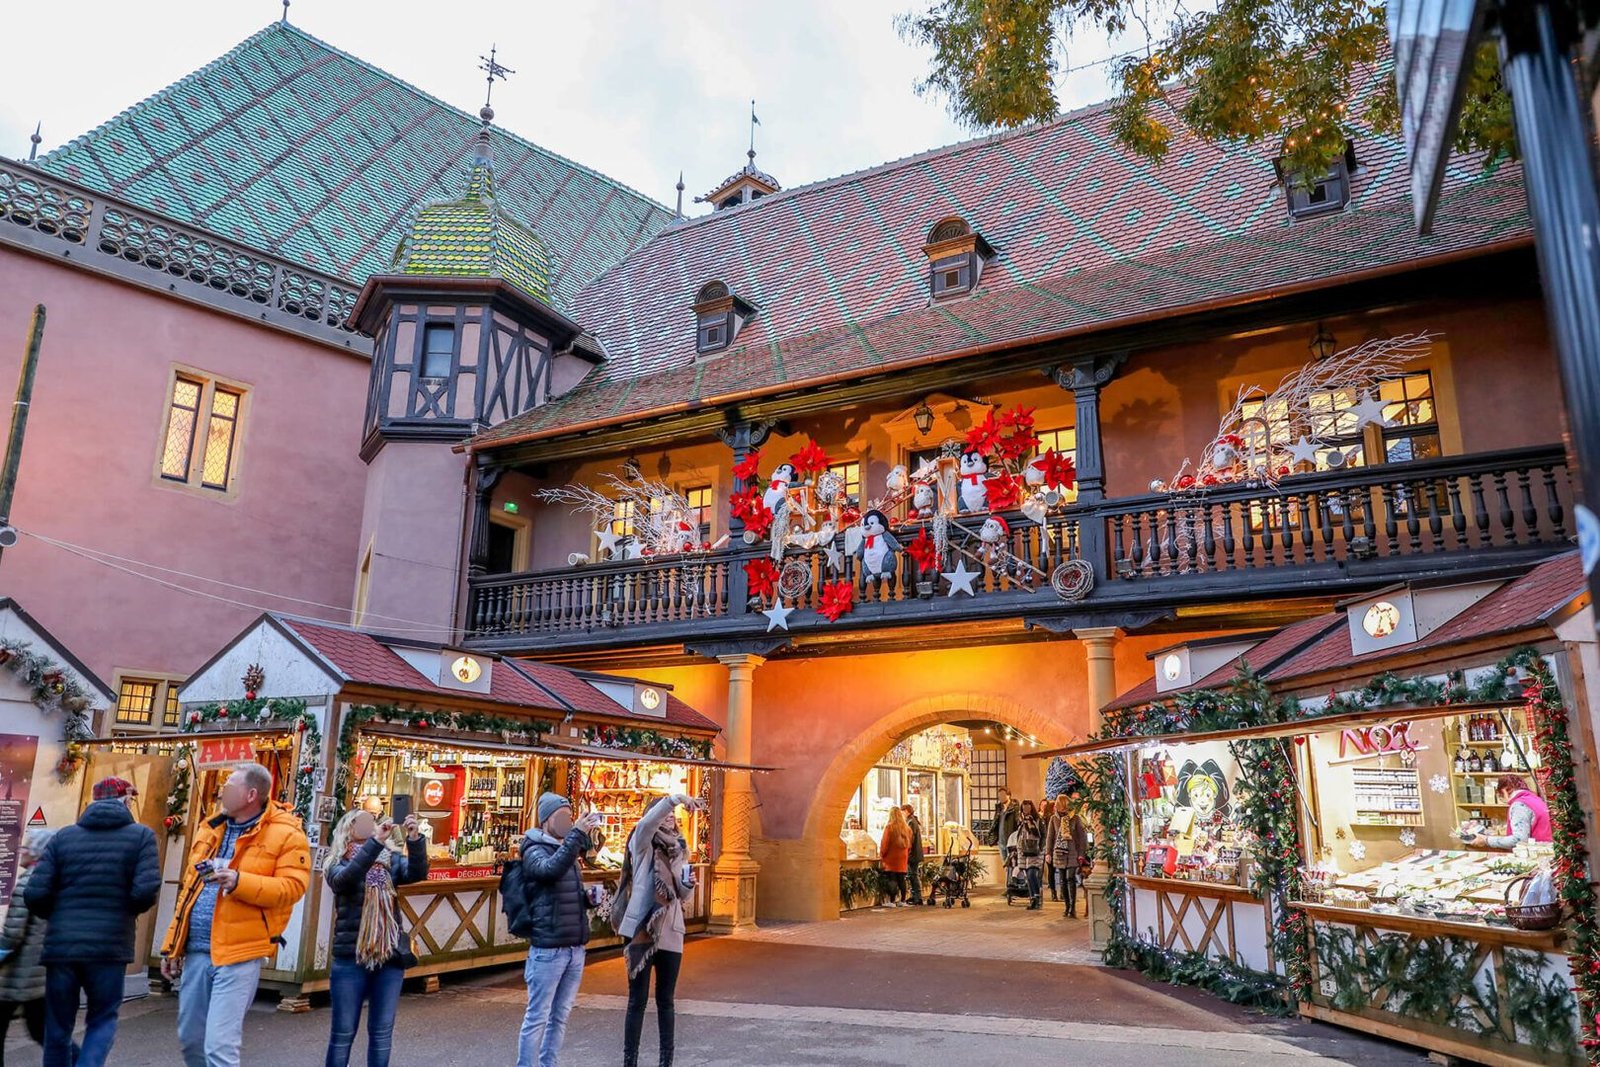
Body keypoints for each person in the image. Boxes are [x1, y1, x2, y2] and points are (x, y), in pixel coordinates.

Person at [161, 762, 312, 1067]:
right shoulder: (211, 827)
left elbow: (293, 887)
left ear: (250, 794)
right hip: (198, 951)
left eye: (230, 787)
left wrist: (240, 881)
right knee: (191, 1039)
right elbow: (189, 890)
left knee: (219, 1046)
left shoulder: (286, 834)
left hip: (240, 954)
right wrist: (172, 944)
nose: (222, 792)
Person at [24, 777, 160, 1067]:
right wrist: (124, 913)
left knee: (57, 1027)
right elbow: (145, 891)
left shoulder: (64, 837)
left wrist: (60, 918)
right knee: (102, 1019)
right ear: (126, 801)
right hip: (109, 947)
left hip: (62, 947)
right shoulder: (142, 837)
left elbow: (35, 893)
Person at [323, 808, 428, 1067]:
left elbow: (416, 873)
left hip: (388, 956)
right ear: (348, 829)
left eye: (371, 822)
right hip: (351, 957)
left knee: (382, 1033)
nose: (370, 825)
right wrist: (374, 844)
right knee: (343, 1033)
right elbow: (346, 880)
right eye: (363, 822)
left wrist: (414, 840)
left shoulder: (389, 859)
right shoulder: (337, 862)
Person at [611, 793, 708, 1067]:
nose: (669, 817)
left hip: (671, 932)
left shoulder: (680, 847)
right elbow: (646, 824)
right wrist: (674, 799)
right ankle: (630, 1060)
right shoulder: (641, 843)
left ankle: (667, 1060)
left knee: (666, 1000)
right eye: (664, 813)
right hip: (642, 928)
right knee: (637, 1000)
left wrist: (688, 885)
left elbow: (681, 894)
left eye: (672, 815)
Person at [517, 792, 602, 1067]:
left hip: (574, 946)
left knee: (561, 1015)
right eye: (561, 817)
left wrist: (586, 900)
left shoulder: (567, 849)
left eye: (569, 815)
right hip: (548, 948)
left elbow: (562, 890)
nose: (567, 821)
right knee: (537, 1016)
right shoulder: (533, 848)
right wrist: (577, 834)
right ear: (545, 820)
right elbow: (549, 871)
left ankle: (548, 1063)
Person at [0, 828, 54, 1065]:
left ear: (35, 852)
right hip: (38, 973)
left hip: (17, 974)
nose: (20, 851)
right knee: (40, 1030)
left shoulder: (27, 882)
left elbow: (13, 933)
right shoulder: (52, 880)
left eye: (25, 847)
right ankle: (80, 1060)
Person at [1463, 775, 1553, 849]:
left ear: (1506, 789)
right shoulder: (1535, 799)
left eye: (1501, 794)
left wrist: (1486, 840)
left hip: (1535, 855)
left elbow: (1519, 840)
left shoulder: (1519, 805)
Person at [1044, 794, 1091, 918]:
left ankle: (1072, 908)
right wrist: (1048, 852)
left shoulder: (1075, 818)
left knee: (1070, 879)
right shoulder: (1054, 819)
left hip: (1072, 853)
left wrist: (1081, 854)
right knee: (1062, 880)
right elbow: (1050, 837)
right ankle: (1066, 906)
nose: (1055, 806)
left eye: (1057, 804)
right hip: (1059, 853)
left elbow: (1082, 837)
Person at [1013, 800, 1046, 909]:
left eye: (1028, 808)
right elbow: (1019, 836)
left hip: (1035, 851)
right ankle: (1033, 899)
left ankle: (1037, 898)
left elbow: (1041, 834)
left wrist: (1041, 848)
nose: (1026, 810)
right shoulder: (1021, 821)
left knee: (1032, 874)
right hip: (1024, 851)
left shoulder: (1037, 820)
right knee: (1028, 876)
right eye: (1024, 808)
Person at [878, 807, 912, 907]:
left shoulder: (890, 827)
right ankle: (902, 900)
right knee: (901, 879)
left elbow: (885, 843)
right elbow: (910, 845)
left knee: (892, 879)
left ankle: (891, 901)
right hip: (902, 857)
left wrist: (882, 854)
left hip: (891, 858)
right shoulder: (907, 828)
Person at [901, 805, 926, 906]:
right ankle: (915, 896)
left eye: (902, 812)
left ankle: (917, 897)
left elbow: (909, 839)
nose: (902, 814)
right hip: (915, 853)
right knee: (912, 875)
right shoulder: (912, 821)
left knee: (913, 875)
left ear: (906, 811)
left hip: (913, 854)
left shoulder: (910, 822)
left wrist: (907, 851)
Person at [993, 787, 1019, 853]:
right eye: (999, 795)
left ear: (1008, 795)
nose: (1001, 797)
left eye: (1003, 795)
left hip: (1011, 842)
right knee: (1004, 862)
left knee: (1011, 862)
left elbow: (1018, 823)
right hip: (1001, 842)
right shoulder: (999, 809)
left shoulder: (1015, 808)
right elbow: (995, 823)